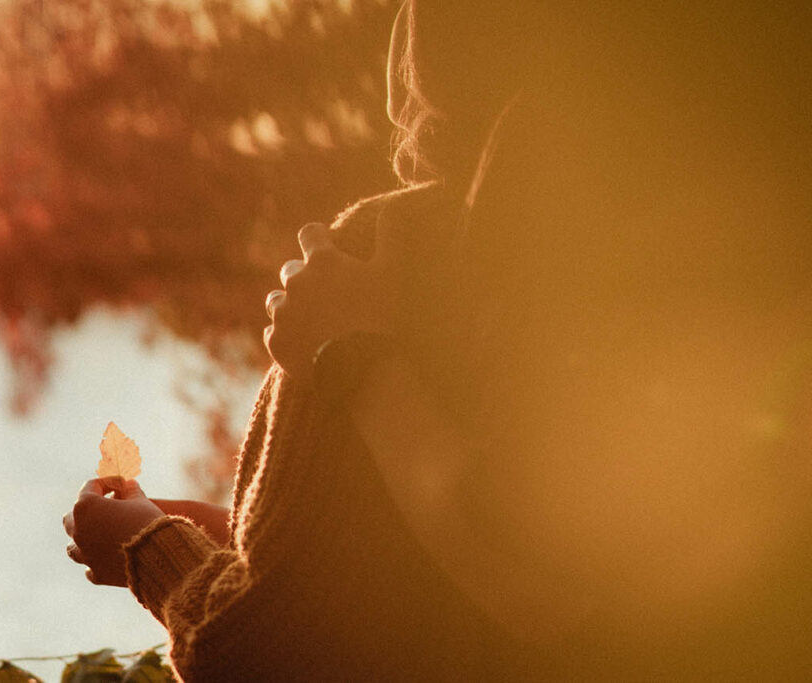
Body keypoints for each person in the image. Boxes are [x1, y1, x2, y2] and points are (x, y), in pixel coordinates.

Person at [65, 1, 812, 679]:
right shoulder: (763, 251)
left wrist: (151, 549)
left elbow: (273, 651)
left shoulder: (397, 255)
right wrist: (251, 530)